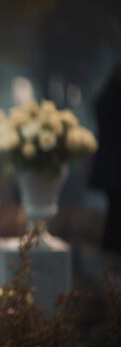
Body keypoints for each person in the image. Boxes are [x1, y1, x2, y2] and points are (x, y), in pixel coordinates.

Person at [89, 61, 121, 255]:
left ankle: (110, 248)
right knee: (115, 211)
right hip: (115, 167)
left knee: (113, 210)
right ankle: (112, 249)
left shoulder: (103, 96)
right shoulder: (114, 98)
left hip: (108, 166)